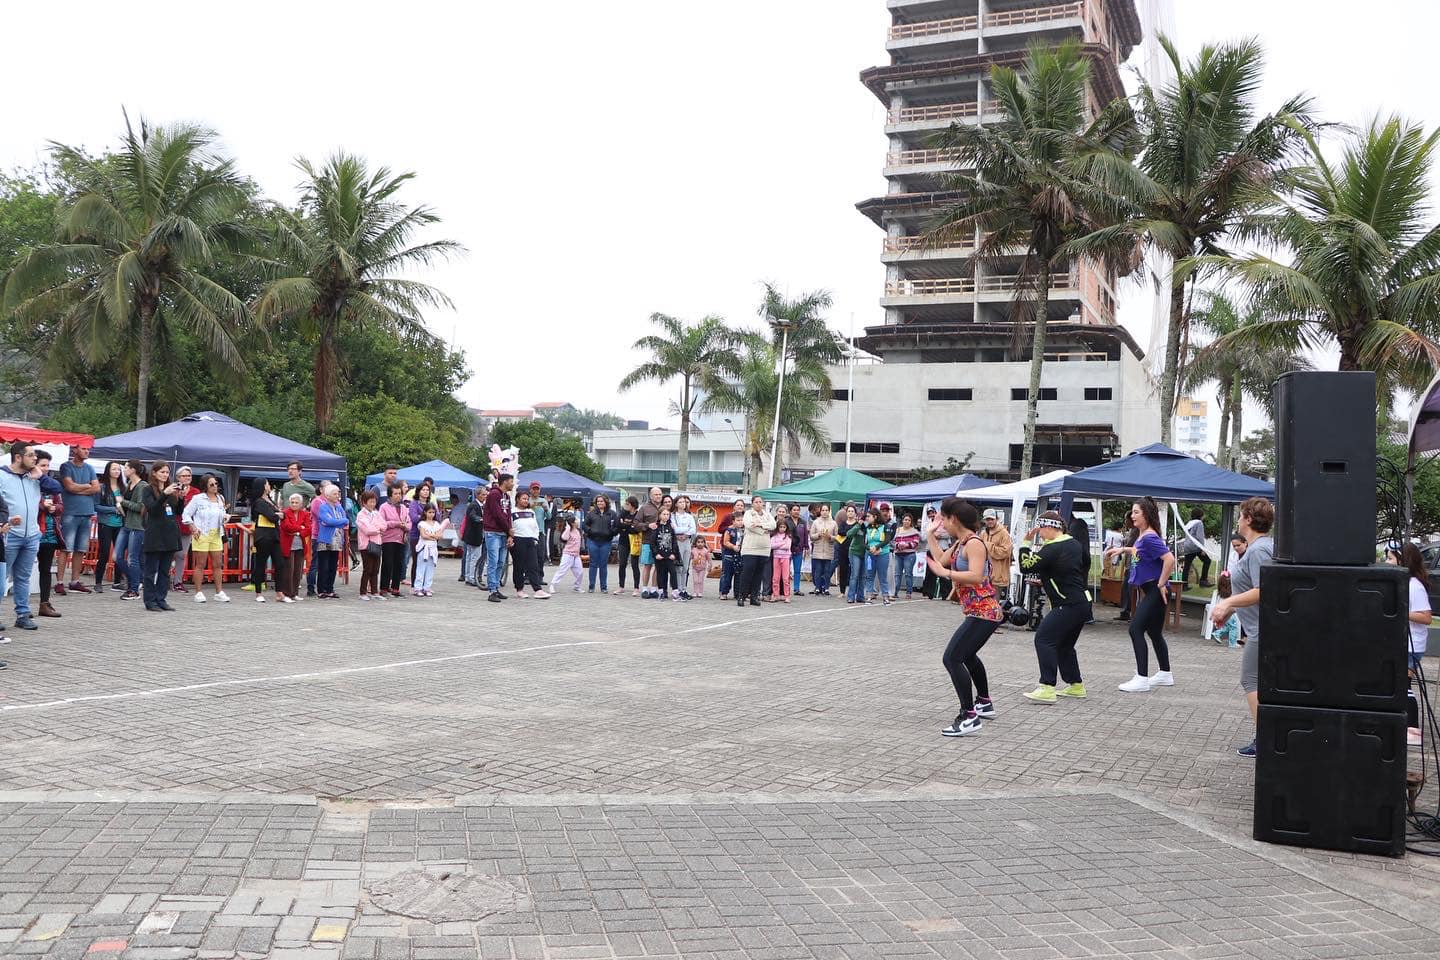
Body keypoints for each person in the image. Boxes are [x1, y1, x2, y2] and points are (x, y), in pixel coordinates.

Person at [923, 498, 1004, 736]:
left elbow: (977, 576)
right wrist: (930, 534)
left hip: (985, 611)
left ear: (953, 519)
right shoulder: (962, 542)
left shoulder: (975, 544)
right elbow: (940, 558)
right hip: (977, 611)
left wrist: (946, 573)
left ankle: (969, 716)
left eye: (944, 519)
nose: (943, 524)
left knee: (952, 658)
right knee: (967, 656)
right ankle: (984, 702)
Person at [1211, 496, 1274, 758]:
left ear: (1249, 519)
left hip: (1262, 631)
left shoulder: (1259, 550)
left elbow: (1263, 590)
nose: (1238, 520)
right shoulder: (1260, 547)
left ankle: (1266, 741)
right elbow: (1250, 589)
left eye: (1240, 515)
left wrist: (1228, 604)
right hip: (1258, 629)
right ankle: (1268, 738)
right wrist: (1232, 610)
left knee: (1250, 680)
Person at [1019, 511, 1093, 704]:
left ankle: (1047, 687)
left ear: (1051, 527)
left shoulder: (1052, 548)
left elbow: (1025, 566)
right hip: (1082, 601)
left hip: (1068, 604)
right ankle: (1076, 685)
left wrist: (1025, 544)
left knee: (1044, 640)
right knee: (1065, 646)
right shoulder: (1075, 544)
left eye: (1041, 530)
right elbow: (1086, 562)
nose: (1040, 534)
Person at [1107, 497, 1175, 693]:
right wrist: (1124, 549)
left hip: (1156, 589)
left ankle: (1142, 678)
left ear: (1146, 514)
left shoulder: (1150, 537)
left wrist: (1162, 583)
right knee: (1154, 632)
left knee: (1135, 629)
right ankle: (1165, 674)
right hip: (1153, 589)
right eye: (1132, 511)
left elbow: (1169, 559)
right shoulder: (1144, 536)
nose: (1132, 515)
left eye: (1136, 512)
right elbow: (1140, 550)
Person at [0, 442, 42, 630]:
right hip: (10, 535)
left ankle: (23, 615)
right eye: (31, 455)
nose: (35, 459)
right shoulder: (2, 476)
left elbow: (57, 488)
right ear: (18, 457)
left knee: (23, 577)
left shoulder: (33, 476)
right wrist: (7, 521)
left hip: (31, 535)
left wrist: (40, 475)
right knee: (1, 578)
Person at [140, 460, 183, 612]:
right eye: (162, 472)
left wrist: (181, 497)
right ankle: (150, 600)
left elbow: (177, 511)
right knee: (151, 570)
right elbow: (153, 509)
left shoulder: (170, 490)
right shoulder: (147, 489)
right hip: (155, 534)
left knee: (165, 570)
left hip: (170, 533)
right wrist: (164, 494)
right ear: (154, 473)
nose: (165, 475)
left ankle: (161, 598)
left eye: (167, 472)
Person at [57, 444, 98, 595]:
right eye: (83, 448)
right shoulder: (66, 467)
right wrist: (87, 487)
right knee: (65, 548)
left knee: (80, 549)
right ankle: (60, 582)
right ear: (74, 450)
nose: (87, 451)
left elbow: (96, 488)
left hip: (87, 512)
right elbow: (69, 487)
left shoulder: (90, 468)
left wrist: (79, 487)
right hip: (70, 512)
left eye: (88, 449)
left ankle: (75, 581)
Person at [182, 473, 230, 603]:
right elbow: (186, 513)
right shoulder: (198, 498)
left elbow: (222, 513)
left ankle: (219, 591)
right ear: (205, 486)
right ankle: (198, 592)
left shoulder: (220, 498)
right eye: (211, 484)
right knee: (200, 564)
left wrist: (225, 516)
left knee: (217, 564)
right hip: (202, 533)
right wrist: (192, 526)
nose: (215, 486)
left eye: (216, 484)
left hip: (216, 533)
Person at [1391, 543, 1432, 674]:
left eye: (1390, 558)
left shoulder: (1414, 586)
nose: (1387, 562)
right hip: (1405, 644)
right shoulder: (1405, 583)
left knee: (1404, 688)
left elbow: (1426, 617)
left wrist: (1401, 612)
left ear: (1402, 561)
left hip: (1411, 646)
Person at [281, 461, 319, 596]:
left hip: (299, 520)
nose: (290, 471)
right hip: (285, 522)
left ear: (300, 471)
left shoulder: (306, 486)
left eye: (293, 469)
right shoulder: (285, 486)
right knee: (287, 560)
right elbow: (283, 502)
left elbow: (316, 499)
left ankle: (294, 591)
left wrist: (308, 511)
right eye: (288, 469)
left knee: (298, 560)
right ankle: (286, 590)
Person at [34, 451, 63, 619]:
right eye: (42, 465)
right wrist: (42, 505)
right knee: (17, 572)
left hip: (51, 533)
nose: (45, 469)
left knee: (45, 570)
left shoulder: (51, 485)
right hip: (33, 530)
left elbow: (60, 505)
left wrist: (54, 508)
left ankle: (44, 603)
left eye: (47, 466)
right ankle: (21, 608)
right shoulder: (28, 481)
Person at [250, 478, 287, 603]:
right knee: (261, 564)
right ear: (262, 486)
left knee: (280, 563)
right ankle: (258, 592)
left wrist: (278, 514)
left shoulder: (269, 500)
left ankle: (279, 592)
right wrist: (278, 514)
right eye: (267, 484)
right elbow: (272, 516)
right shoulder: (259, 502)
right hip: (263, 536)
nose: (269, 486)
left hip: (274, 535)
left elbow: (280, 514)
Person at [115, 459, 147, 600]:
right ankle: (136, 581)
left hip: (137, 526)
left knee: (132, 558)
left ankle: (134, 589)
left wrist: (123, 502)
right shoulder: (129, 484)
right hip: (126, 524)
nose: (124, 469)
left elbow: (141, 507)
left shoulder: (142, 486)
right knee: (117, 556)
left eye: (126, 467)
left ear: (133, 469)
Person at [736, 496, 775, 608]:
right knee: (747, 573)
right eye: (756, 502)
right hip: (750, 548)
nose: (759, 504)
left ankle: (754, 596)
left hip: (764, 549)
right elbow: (749, 525)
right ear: (752, 503)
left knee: (758, 574)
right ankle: (741, 596)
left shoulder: (767, 514)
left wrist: (760, 524)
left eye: (760, 502)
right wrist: (764, 530)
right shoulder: (748, 513)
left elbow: (773, 525)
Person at [509, 490, 549, 599]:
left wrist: (535, 538)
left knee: (533, 565)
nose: (526, 501)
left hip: (530, 540)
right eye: (523, 498)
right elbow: (510, 526)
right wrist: (511, 538)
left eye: (527, 499)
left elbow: (535, 526)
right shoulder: (512, 512)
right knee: (519, 566)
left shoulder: (531, 512)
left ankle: (537, 589)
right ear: (517, 499)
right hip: (518, 540)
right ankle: (519, 589)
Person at [314, 484, 349, 599]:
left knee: (333, 566)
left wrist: (337, 521)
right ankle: (321, 589)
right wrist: (339, 521)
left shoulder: (339, 507)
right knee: (323, 566)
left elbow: (346, 520)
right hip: (325, 540)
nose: (337, 495)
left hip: (337, 539)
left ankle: (330, 588)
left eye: (338, 493)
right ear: (328, 495)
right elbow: (327, 520)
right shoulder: (323, 507)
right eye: (335, 493)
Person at [94, 461, 125, 591]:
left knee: (119, 553)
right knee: (104, 552)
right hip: (105, 523)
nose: (117, 471)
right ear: (108, 471)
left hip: (121, 524)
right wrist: (113, 509)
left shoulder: (124, 487)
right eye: (114, 469)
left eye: (118, 469)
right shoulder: (101, 487)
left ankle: (117, 582)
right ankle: (98, 582)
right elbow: (96, 506)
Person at [483, 475, 515, 603]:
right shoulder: (494, 494)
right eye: (511, 481)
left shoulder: (506, 496)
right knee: (493, 561)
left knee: (501, 562)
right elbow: (497, 514)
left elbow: (507, 516)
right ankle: (491, 590)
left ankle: (496, 587)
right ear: (505, 482)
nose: (513, 484)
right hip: (493, 532)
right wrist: (509, 530)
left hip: (503, 533)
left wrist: (509, 534)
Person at [169, 465, 200, 592]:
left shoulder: (196, 492)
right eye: (183, 476)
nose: (187, 478)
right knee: (169, 554)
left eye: (189, 475)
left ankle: (178, 581)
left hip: (187, 528)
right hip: (172, 526)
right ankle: (165, 579)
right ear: (177, 477)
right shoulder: (172, 489)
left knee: (181, 555)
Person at [379, 485, 410, 599]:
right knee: (387, 563)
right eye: (396, 493)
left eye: (400, 493)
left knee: (399, 563)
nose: (398, 496)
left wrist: (406, 526)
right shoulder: (384, 507)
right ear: (390, 495)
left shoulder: (404, 507)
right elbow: (382, 523)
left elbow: (409, 522)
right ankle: (384, 588)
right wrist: (396, 523)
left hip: (401, 539)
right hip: (388, 539)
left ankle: (395, 588)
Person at [280, 493, 313, 601]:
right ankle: (287, 593)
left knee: (298, 570)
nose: (294, 504)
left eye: (296, 502)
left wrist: (298, 533)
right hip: (288, 545)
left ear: (301, 504)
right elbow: (286, 527)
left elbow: (308, 528)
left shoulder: (305, 514)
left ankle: (295, 593)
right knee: (289, 569)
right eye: (292, 502)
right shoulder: (285, 512)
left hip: (300, 545)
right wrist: (300, 527)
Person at [583, 494, 618, 593]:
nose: (599, 503)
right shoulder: (591, 513)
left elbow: (616, 526)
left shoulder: (612, 514)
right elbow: (584, 525)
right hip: (593, 541)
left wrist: (611, 532)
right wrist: (590, 531)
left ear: (606, 502)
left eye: (601, 501)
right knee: (593, 563)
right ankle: (591, 586)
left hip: (606, 542)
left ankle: (604, 587)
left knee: (603, 564)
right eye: (598, 501)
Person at [355, 491, 385, 600]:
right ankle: (363, 592)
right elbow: (367, 529)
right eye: (371, 502)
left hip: (377, 543)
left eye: (374, 502)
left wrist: (376, 528)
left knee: (376, 569)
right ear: (364, 502)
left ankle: (374, 591)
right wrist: (377, 529)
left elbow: (384, 525)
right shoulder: (360, 515)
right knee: (367, 569)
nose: (373, 504)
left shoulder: (376, 513)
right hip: (366, 545)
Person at [981, 509, 1013, 604]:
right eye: (987, 519)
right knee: (984, 602)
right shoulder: (983, 533)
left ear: (997, 519)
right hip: (984, 574)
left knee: (994, 602)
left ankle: (994, 618)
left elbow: (1006, 552)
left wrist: (989, 546)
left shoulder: (1004, 533)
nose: (989, 521)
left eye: (992, 519)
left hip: (998, 575)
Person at [635, 487, 662, 598]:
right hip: (648, 541)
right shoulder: (644, 508)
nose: (658, 496)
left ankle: (654, 589)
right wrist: (647, 525)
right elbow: (636, 523)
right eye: (656, 494)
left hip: (661, 542)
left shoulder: (664, 508)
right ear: (651, 496)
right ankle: (645, 588)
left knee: (658, 566)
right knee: (647, 565)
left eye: (660, 494)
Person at [412, 502, 444, 597]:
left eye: (433, 512)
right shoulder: (422, 523)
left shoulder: (436, 524)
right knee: (421, 568)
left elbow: (440, 535)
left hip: (433, 549)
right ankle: (418, 588)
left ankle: (427, 587)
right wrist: (433, 536)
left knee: (430, 569)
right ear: (425, 512)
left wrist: (431, 535)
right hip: (424, 548)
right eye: (429, 512)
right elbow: (423, 535)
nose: (431, 514)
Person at [1179, 507, 1212, 588]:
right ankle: (1203, 581)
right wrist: (1202, 549)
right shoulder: (1199, 523)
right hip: (1195, 547)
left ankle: (1184, 585)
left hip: (1187, 546)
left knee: (1187, 566)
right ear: (1200, 515)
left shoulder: (1189, 523)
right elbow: (1200, 537)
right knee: (1207, 561)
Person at [845, 509, 873, 605]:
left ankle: (860, 596)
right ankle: (851, 596)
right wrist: (858, 524)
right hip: (855, 552)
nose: (867, 520)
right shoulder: (857, 526)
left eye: (868, 518)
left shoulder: (870, 528)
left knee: (863, 575)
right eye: (865, 518)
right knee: (855, 575)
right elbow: (849, 534)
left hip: (865, 553)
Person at [671, 495, 697, 599]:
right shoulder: (672, 516)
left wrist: (685, 533)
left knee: (685, 567)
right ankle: (677, 589)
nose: (683, 504)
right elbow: (674, 529)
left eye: (684, 502)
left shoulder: (689, 516)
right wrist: (684, 529)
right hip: (677, 542)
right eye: (680, 502)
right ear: (676, 504)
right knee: (678, 566)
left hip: (687, 542)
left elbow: (693, 530)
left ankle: (684, 588)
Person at [808, 504, 837, 597]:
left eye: (826, 510)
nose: (824, 512)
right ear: (820, 512)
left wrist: (830, 537)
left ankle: (826, 588)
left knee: (827, 571)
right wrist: (818, 535)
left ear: (829, 511)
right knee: (818, 570)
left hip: (828, 549)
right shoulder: (816, 522)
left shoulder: (833, 523)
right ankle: (817, 587)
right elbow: (811, 536)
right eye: (823, 510)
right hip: (818, 549)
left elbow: (837, 537)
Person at [462, 484, 486, 588]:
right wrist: (481, 519)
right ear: (478, 495)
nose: (485, 496)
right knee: (474, 557)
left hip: (471, 535)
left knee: (470, 556)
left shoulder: (478, 505)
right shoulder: (474, 505)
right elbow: (472, 516)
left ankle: (468, 576)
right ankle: (472, 578)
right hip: (474, 535)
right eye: (483, 494)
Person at [719, 501, 744, 600]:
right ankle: (724, 592)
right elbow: (725, 542)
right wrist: (733, 547)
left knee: (739, 575)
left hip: (739, 556)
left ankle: (737, 593)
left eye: (741, 520)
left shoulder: (743, 531)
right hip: (729, 555)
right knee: (727, 574)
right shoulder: (729, 531)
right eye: (738, 520)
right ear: (733, 521)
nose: (740, 522)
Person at [866, 510, 892, 605]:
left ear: (875, 516)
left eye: (869, 516)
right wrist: (870, 548)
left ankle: (885, 596)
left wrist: (877, 547)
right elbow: (863, 542)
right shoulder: (867, 528)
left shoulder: (885, 526)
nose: (867, 518)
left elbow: (887, 539)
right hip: (870, 554)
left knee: (882, 576)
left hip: (882, 554)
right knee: (869, 575)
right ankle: (869, 596)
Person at [892, 513, 921, 599]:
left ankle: (909, 592)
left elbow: (916, 543)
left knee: (908, 574)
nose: (907, 521)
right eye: (905, 520)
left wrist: (906, 545)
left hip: (909, 555)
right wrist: (898, 545)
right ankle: (895, 592)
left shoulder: (914, 531)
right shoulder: (897, 530)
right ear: (902, 521)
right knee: (897, 574)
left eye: (909, 520)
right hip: (898, 554)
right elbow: (893, 541)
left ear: (911, 522)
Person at [555, 514, 586, 592]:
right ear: (572, 523)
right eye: (575, 520)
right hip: (568, 554)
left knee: (580, 572)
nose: (577, 521)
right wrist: (568, 529)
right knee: (562, 570)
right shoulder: (567, 530)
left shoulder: (578, 530)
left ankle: (577, 586)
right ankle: (553, 584)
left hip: (576, 555)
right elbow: (564, 538)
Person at [616, 496, 640, 594]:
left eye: (627, 504)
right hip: (623, 541)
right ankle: (621, 586)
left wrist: (625, 526)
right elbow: (618, 525)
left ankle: (636, 588)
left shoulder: (638, 515)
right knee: (622, 564)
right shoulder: (623, 513)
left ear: (632, 505)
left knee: (634, 565)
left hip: (634, 542)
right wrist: (628, 526)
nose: (625, 505)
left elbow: (635, 528)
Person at [1211, 572, 1240, 647]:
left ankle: (1217, 633)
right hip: (1229, 613)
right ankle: (1232, 643)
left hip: (1221, 612)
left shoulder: (1219, 593)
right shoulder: (1232, 593)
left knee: (1228, 627)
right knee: (1233, 627)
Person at [769, 515, 793, 603]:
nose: (782, 529)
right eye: (780, 527)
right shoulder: (774, 536)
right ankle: (776, 594)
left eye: (784, 527)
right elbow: (771, 546)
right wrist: (781, 544)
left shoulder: (788, 536)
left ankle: (787, 595)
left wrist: (778, 545)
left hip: (786, 558)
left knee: (786, 578)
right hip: (776, 557)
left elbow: (787, 546)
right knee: (776, 577)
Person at [836, 503, 857, 597]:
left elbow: (857, 533)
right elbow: (840, 532)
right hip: (843, 549)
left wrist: (847, 533)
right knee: (843, 570)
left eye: (852, 511)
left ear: (855, 513)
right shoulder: (843, 523)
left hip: (854, 550)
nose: (850, 513)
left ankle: (854, 590)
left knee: (854, 571)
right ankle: (842, 591)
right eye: (849, 511)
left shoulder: (857, 524)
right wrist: (849, 533)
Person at [788, 504, 808, 596]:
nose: (796, 511)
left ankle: (796, 589)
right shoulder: (786, 521)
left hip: (799, 549)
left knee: (797, 570)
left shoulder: (803, 522)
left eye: (798, 510)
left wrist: (806, 546)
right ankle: (785, 588)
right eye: (794, 510)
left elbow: (805, 535)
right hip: (787, 549)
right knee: (786, 570)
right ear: (790, 511)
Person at [689, 534, 712, 598]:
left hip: (702, 569)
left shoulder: (706, 551)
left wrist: (710, 566)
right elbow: (690, 557)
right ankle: (695, 592)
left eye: (702, 542)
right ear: (695, 543)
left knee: (700, 581)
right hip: (694, 568)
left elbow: (709, 559)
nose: (700, 544)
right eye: (698, 542)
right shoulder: (693, 550)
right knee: (695, 580)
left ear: (704, 543)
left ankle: (700, 592)